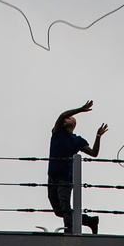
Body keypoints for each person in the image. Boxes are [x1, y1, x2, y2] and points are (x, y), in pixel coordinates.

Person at [48, 99, 108, 235]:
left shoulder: (77, 140)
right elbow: (62, 115)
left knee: (65, 206)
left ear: (74, 123)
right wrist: (81, 109)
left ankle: (69, 232)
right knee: (58, 211)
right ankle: (89, 221)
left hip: (65, 177)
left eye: (69, 118)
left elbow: (94, 153)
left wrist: (98, 136)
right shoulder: (57, 131)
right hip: (52, 176)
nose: (66, 119)